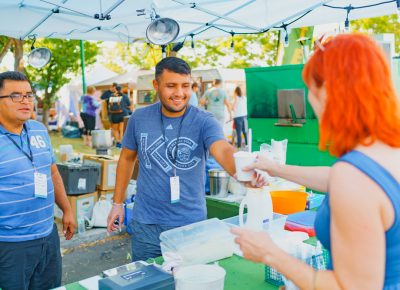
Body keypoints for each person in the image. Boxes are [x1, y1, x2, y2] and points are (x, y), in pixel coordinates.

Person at [232, 33, 400, 289]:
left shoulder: (353, 178)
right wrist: (273, 167)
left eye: (311, 88)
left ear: (331, 93)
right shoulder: (386, 151)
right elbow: (338, 179)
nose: (310, 99)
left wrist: (271, 254)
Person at [107, 57, 266, 261]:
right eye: (171, 86)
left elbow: (223, 150)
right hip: (146, 224)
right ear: (156, 85)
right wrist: (117, 203)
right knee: (147, 282)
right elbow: (127, 159)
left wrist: (243, 171)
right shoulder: (140, 118)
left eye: (185, 86)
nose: (179, 93)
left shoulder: (203, 120)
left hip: (190, 225)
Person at [0, 71, 76, 290]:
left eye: (29, 95)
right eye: (15, 95)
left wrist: (67, 209)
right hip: (11, 244)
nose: (25, 101)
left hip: (47, 235)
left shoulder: (39, 130)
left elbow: (52, 173)